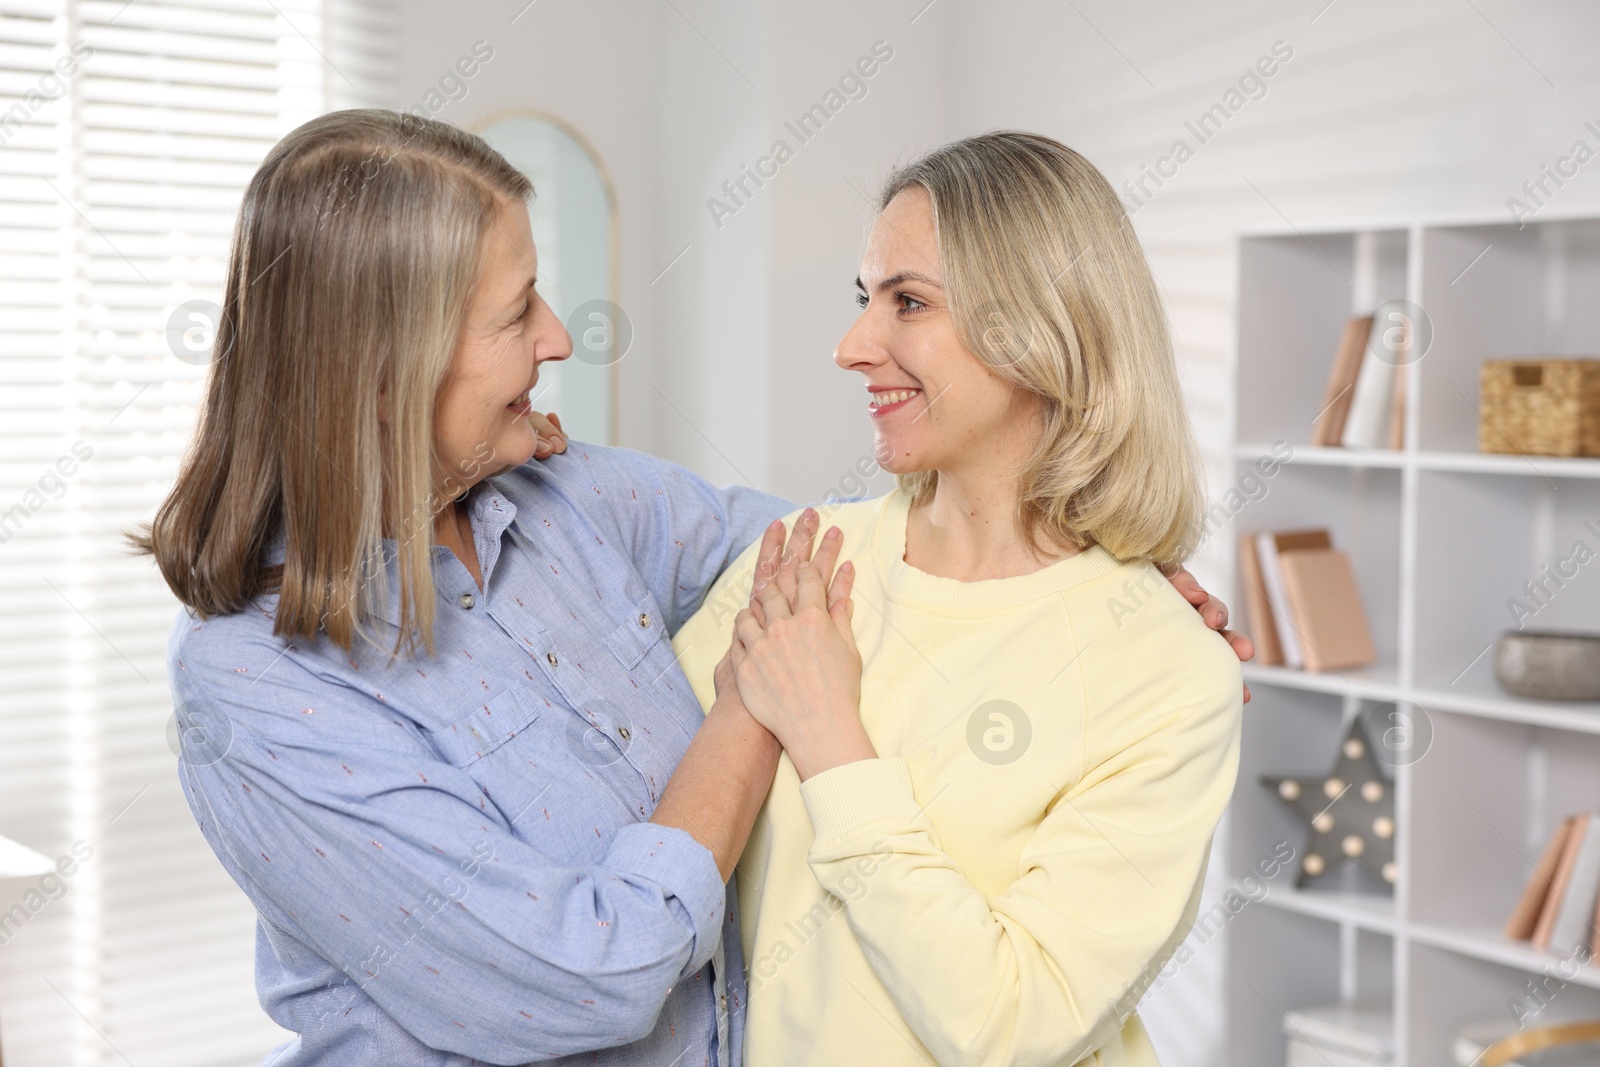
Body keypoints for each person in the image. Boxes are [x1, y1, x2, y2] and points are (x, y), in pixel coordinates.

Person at [137, 110, 1245, 1065]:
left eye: (904, 298)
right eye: (519, 313)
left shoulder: (573, 503)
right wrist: (759, 711)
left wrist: (1124, 581)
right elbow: (590, 974)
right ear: (385, 369)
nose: (560, 338)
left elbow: (908, 558)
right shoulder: (254, 685)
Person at [671, 131, 1247, 1066]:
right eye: (866, 301)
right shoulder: (803, 561)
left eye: (909, 303)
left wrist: (830, 739)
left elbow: (1015, 1028)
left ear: (1044, 328)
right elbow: (635, 836)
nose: (854, 346)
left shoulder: (1167, 669)